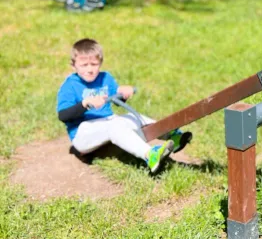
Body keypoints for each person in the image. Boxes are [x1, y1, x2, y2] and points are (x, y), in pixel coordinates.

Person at [57, 39, 193, 174]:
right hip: (83, 133)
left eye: (94, 64)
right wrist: (85, 104)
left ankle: (171, 134)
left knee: (132, 117)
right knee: (114, 125)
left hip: (108, 121)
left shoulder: (105, 78)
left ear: (100, 63)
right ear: (73, 65)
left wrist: (123, 93)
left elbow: (116, 98)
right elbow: (63, 116)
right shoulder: (70, 85)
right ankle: (149, 155)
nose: (90, 69)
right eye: (84, 65)